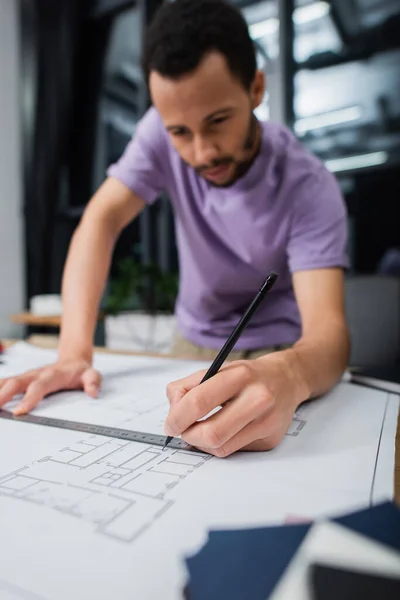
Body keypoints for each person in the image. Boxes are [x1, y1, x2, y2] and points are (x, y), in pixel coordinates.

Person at [0, 0, 350, 457]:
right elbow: (101, 219)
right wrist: (73, 353)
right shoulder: (159, 133)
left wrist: (288, 373)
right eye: (180, 132)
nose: (201, 152)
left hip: (280, 352)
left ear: (256, 88)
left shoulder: (308, 185)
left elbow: (330, 337)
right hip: (189, 342)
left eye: (218, 121)